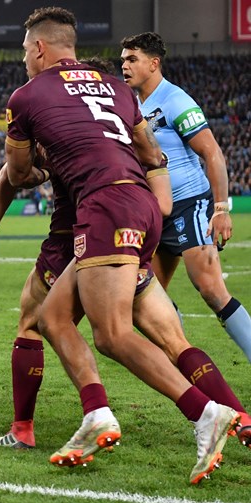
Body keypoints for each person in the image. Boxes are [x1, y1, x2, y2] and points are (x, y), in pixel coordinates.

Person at [4, 7, 238, 484]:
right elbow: (152, 153)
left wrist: (48, 166)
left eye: (26, 50)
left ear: (41, 48)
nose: (25, 59)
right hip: (142, 204)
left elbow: (17, 175)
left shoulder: (26, 96)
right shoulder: (117, 87)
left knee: (112, 334)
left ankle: (204, 413)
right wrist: (156, 208)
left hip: (104, 207)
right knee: (52, 316)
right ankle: (96, 413)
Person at [120, 32, 251, 364]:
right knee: (144, 301)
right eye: (122, 59)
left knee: (210, 289)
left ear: (154, 63)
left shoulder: (176, 100)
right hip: (155, 211)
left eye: (132, 59)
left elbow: (213, 153)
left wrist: (220, 208)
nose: (124, 65)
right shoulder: (130, 104)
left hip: (189, 203)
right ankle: (190, 364)